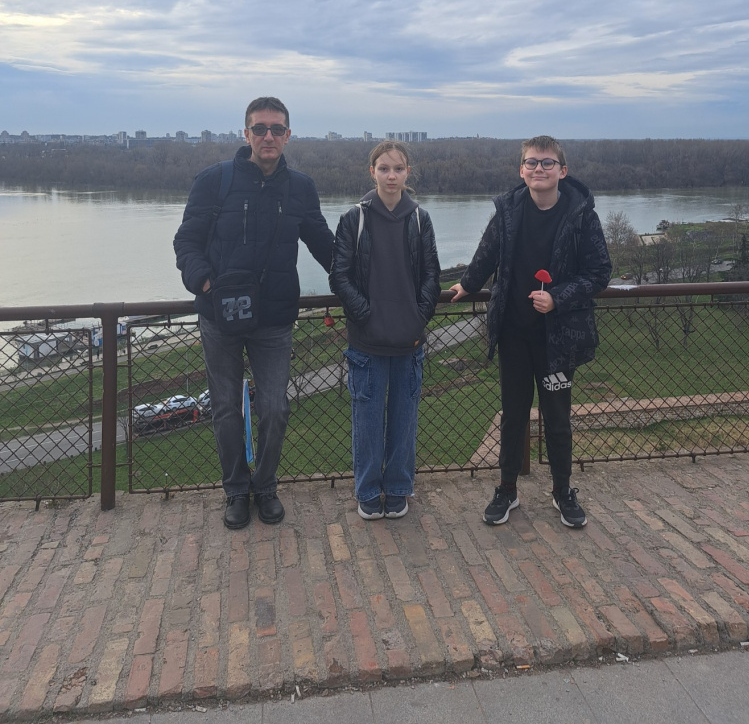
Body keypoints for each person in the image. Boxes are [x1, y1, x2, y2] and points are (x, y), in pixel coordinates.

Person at [174, 97, 334, 530]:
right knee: (225, 409)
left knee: (275, 409)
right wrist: (205, 283)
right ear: (245, 134)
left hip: (274, 320)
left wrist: (361, 280)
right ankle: (235, 491)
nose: (268, 136)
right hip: (220, 317)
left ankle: (265, 486)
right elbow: (186, 242)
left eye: (277, 129)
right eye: (259, 128)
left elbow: (325, 246)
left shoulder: (300, 187)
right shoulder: (214, 181)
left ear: (288, 136)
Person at [449, 135, 611, 529]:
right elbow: (487, 253)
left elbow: (599, 273)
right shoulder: (508, 211)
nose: (539, 169)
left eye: (547, 163)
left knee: (557, 418)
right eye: (531, 163)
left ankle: (562, 490)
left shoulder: (581, 215)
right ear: (521, 170)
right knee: (514, 416)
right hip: (514, 334)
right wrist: (467, 284)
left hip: (558, 339)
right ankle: (507, 489)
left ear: (562, 171)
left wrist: (557, 297)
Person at [330, 142, 441, 520]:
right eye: (384, 168)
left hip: (409, 340)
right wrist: (365, 315)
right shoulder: (354, 219)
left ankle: (397, 489)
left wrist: (418, 316)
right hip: (367, 341)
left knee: (404, 420)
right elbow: (339, 276)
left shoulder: (420, 219)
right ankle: (367, 491)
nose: (391, 176)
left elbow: (431, 275)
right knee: (367, 420)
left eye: (398, 168)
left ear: (408, 172)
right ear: (372, 172)